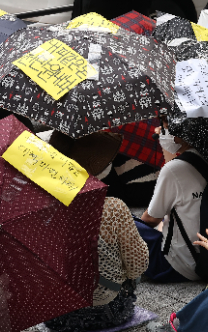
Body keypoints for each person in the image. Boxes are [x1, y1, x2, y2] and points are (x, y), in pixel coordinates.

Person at [40, 130, 150, 332]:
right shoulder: (113, 208)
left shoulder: (38, 212)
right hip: (109, 312)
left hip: (55, 315)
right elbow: (138, 266)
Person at [137, 123, 207, 282]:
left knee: (114, 217)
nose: (158, 130)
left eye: (165, 125)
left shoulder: (174, 169)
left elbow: (150, 219)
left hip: (182, 264)